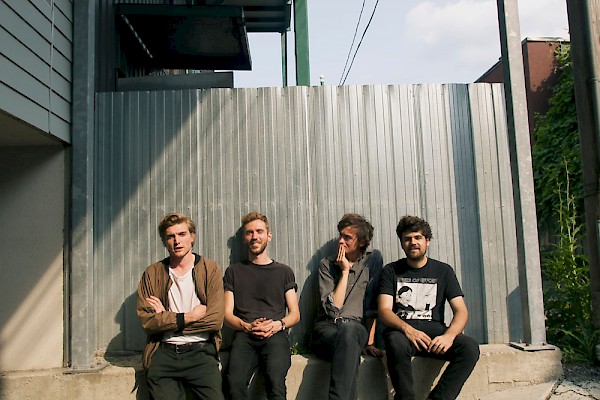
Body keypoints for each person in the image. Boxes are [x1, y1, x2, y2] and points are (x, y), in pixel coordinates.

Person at [379, 215, 480, 400]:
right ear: (402, 243)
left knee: (470, 348)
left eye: (418, 237)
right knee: (395, 342)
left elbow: (461, 311)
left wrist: (449, 336)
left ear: (427, 241)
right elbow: (384, 310)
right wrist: (408, 330)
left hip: (434, 334)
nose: (413, 242)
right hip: (403, 334)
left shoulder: (444, 271)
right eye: (407, 239)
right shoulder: (391, 270)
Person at [136, 212, 225, 400]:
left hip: (201, 353)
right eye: (171, 236)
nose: (177, 241)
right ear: (164, 241)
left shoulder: (210, 269)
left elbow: (215, 321)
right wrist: (188, 317)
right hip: (163, 353)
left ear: (192, 237)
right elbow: (148, 322)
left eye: (182, 234)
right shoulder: (152, 273)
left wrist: (167, 320)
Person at [223, 212, 300, 400]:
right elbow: (226, 314)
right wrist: (247, 326)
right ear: (244, 238)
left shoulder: (284, 272)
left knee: (275, 383)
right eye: (249, 232)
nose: (254, 236)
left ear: (269, 236)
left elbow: (295, 314)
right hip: (245, 335)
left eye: (259, 231)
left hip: (275, 334)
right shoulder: (233, 272)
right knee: (234, 384)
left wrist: (277, 325)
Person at [311, 213, 384, 400]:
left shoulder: (372, 260)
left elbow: (373, 303)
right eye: (340, 236)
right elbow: (333, 309)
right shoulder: (326, 265)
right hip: (327, 328)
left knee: (349, 331)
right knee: (348, 343)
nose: (341, 241)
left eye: (347, 237)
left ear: (361, 241)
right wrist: (344, 272)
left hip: (355, 328)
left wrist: (370, 342)